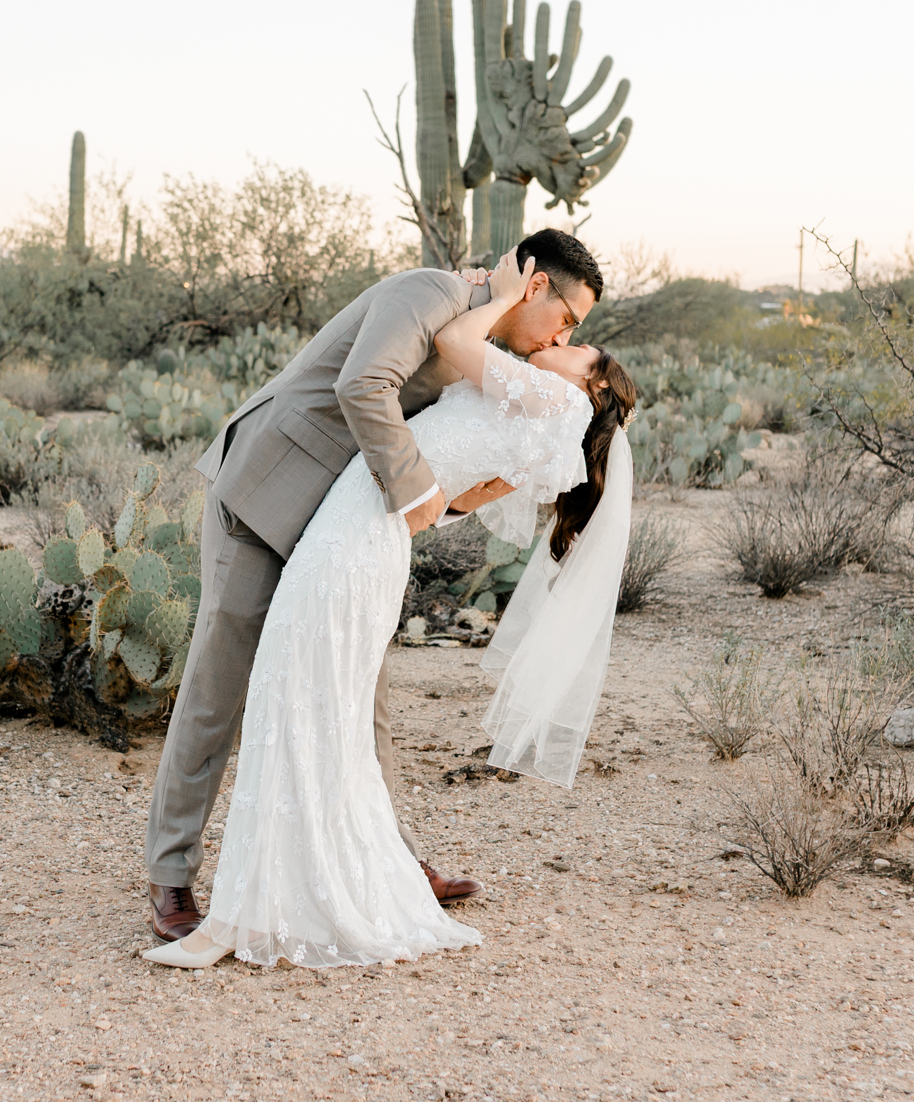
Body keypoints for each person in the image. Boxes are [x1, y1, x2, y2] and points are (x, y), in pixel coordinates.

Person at [143, 245, 637, 969]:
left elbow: (456, 452)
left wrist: (462, 489)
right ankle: (171, 874)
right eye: (562, 317)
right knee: (220, 686)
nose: (559, 337)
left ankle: (386, 864)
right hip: (269, 489)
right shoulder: (433, 293)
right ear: (534, 284)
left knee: (362, 701)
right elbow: (363, 383)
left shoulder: (492, 344)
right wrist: (416, 495)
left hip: (342, 528)